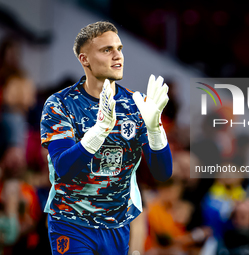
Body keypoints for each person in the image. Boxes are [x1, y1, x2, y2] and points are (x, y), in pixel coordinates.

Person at [40, 21, 172, 255]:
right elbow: (63, 168)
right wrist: (99, 131)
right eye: (106, 50)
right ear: (85, 59)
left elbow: (162, 174)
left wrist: (155, 129)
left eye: (119, 49)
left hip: (117, 226)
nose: (117, 56)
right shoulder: (60, 104)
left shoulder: (136, 105)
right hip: (71, 223)